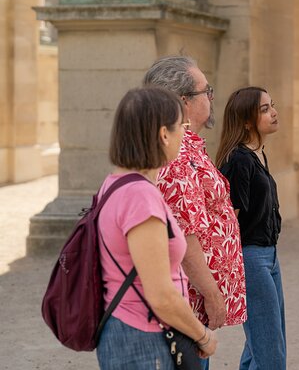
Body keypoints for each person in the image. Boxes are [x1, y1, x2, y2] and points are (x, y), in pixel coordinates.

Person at [96, 87, 217, 369]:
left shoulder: (115, 183)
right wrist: (203, 336)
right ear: (164, 134)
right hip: (145, 338)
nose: (184, 135)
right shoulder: (140, 196)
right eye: (181, 127)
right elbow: (161, 295)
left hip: (130, 331)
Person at [143, 56, 247, 368]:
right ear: (183, 102)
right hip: (186, 306)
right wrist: (213, 295)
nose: (212, 98)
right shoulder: (175, 156)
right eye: (206, 91)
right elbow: (185, 235)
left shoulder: (186, 148)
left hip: (191, 305)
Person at [216, 87, 286, 370]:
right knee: (271, 354)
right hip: (251, 259)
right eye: (265, 109)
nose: (274, 112)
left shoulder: (257, 155)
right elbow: (229, 219)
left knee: (261, 345)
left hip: (269, 257)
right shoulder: (239, 160)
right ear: (246, 120)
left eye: (272, 105)